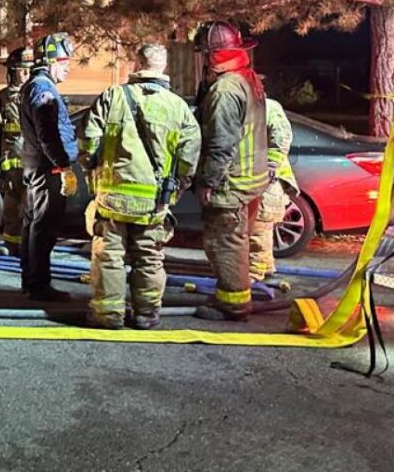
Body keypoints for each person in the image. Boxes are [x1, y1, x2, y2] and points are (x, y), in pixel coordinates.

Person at [80, 44, 201, 329]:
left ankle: (108, 313)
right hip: (153, 203)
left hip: (113, 196)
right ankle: (146, 314)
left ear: (137, 64)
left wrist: (93, 173)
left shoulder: (113, 97)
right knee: (149, 256)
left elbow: (88, 140)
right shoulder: (178, 107)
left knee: (109, 255)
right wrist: (175, 190)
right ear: (163, 68)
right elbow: (189, 157)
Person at [192, 21, 269, 321]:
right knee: (238, 241)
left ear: (212, 55)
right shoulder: (248, 78)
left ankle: (233, 303)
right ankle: (234, 293)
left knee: (224, 242)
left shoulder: (225, 90)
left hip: (231, 183)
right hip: (251, 179)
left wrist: (208, 181)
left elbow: (220, 142)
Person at [18, 31, 78, 302]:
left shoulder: (35, 86)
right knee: (44, 227)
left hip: (37, 164)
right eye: (65, 62)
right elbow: (48, 134)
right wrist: (63, 165)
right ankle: (39, 286)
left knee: (33, 224)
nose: (68, 67)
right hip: (46, 168)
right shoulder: (43, 90)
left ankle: (31, 281)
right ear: (52, 61)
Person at [0, 47, 35, 256]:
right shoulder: (2, 99)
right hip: (12, 167)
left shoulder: (38, 94)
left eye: (29, 70)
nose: (25, 74)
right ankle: (13, 248)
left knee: (34, 210)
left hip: (35, 166)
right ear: (12, 72)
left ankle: (33, 249)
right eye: (21, 70)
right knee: (12, 211)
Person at [249, 94, 298, 282]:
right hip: (265, 180)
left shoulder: (267, 108)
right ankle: (266, 267)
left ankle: (254, 273)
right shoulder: (252, 109)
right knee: (261, 228)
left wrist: (269, 168)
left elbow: (282, 138)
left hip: (269, 183)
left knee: (258, 229)